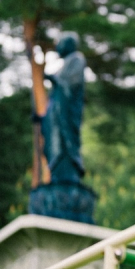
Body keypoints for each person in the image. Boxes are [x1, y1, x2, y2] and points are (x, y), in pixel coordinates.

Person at [40, 32, 87, 183]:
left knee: (65, 148)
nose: (57, 47)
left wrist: (52, 78)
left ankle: (69, 176)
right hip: (56, 118)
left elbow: (70, 84)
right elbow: (56, 94)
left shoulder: (77, 59)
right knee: (54, 145)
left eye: (60, 43)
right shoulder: (66, 63)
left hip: (67, 118)